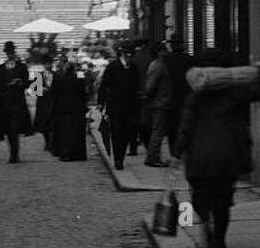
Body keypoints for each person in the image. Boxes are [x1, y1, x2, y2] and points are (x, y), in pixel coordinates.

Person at [173, 51, 260, 248]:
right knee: (223, 200)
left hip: (200, 158)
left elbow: (186, 127)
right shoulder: (235, 94)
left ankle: (206, 225)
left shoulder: (195, 97)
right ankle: (219, 239)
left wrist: (177, 152)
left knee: (200, 196)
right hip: (227, 156)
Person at [98, 40, 142, 170]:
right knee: (116, 133)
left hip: (130, 107)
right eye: (126, 54)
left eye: (131, 55)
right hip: (115, 107)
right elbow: (104, 85)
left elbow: (137, 87)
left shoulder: (134, 68)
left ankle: (121, 156)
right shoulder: (113, 67)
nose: (129, 57)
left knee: (126, 134)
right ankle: (118, 159)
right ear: (122, 54)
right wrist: (101, 102)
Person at [0, 40, 31, 164]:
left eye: (12, 52)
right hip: (5, 103)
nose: (10, 55)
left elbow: (28, 82)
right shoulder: (0, 68)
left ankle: (14, 153)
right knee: (8, 130)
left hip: (17, 102)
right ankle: (12, 150)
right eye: (8, 53)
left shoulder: (21, 67)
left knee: (15, 128)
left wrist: (20, 82)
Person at [49, 49, 88, 161]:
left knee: (65, 134)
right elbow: (83, 96)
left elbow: (54, 94)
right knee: (76, 133)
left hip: (63, 110)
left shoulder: (59, 81)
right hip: (77, 110)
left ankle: (65, 153)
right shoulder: (79, 81)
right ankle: (78, 154)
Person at [143, 42, 173, 167]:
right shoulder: (159, 65)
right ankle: (152, 157)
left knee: (157, 130)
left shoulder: (155, 64)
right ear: (160, 52)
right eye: (165, 50)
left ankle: (154, 156)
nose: (167, 52)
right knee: (158, 131)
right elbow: (151, 85)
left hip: (158, 101)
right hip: (159, 102)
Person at [162, 33, 195, 150]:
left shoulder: (166, 59)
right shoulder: (189, 59)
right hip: (186, 95)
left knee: (172, 126)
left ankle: (173, 149)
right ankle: (184, 147)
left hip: (171, 95)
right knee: (185, 123)